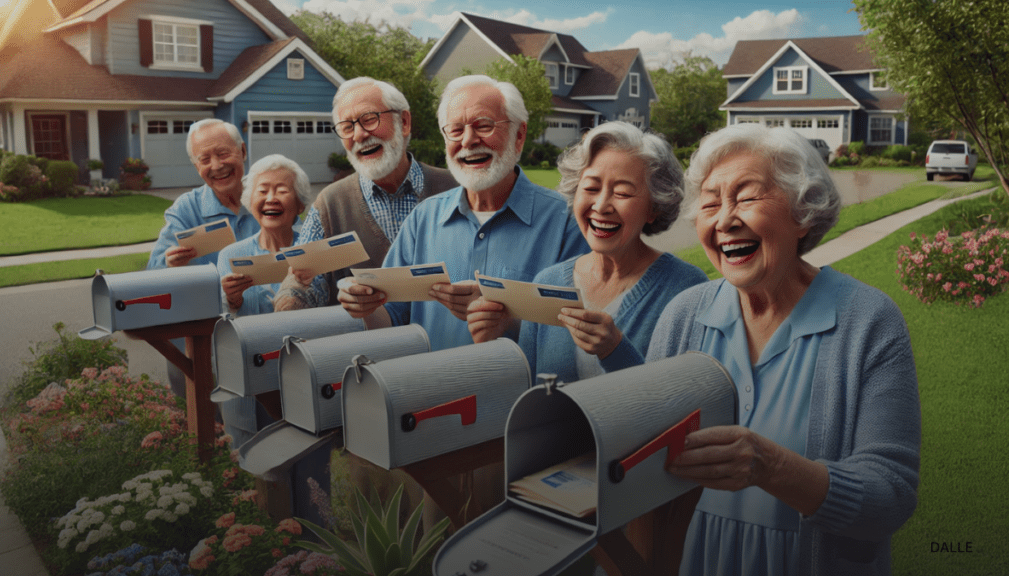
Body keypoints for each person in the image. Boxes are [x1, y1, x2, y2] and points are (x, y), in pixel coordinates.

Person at [643, 123, 920, 575]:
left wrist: (771, 466)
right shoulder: (683, 315)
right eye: (711, 203)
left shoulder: (868, 321)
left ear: (802, 211)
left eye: (747, 197)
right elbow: (640, 454)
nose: (724, 219)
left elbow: (890, 496)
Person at [337, 75, 589, 351]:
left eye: (484, 125)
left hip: (520, 393)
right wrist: (365, 306)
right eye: (455, 130)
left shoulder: (566, 222)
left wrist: (507, 324)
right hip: (438, 390)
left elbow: (579, 339)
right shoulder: (423, 219)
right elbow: (392, 318)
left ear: (519, 135)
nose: (468, 140)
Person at [466, 121, 707, 382]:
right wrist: (496, 342)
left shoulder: (687, 291)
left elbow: (685, 404)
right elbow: (528, 396)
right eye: (591, 188)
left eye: (623, 193)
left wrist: (616, 352)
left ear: (654, 208)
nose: (601, 205)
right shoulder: (548, 281)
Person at [273, 77, 458, 310]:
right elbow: (305, 279)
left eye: (369, 119)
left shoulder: (456, 189)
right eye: (347, 127)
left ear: (404, 122)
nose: (359, 135)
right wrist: (290, 301)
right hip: (367, 344)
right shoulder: (331, 204)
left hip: (449, 343)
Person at [147, 119, 261, 269]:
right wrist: (168, 262)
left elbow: (298, 248)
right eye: (205, 160)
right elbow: (153, 270)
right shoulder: (186, 209)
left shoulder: (269, 197)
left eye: (223, 154)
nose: (217, 166)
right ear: (197, 166)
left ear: (243, 151)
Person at [216, 154, 315, 317]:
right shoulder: (230, 256)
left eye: (282, 191)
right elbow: (222, 322)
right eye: (262, 191)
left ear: (300, 205)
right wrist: (232, 301)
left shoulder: (313, 250)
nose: (271, 199)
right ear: (250, 201)